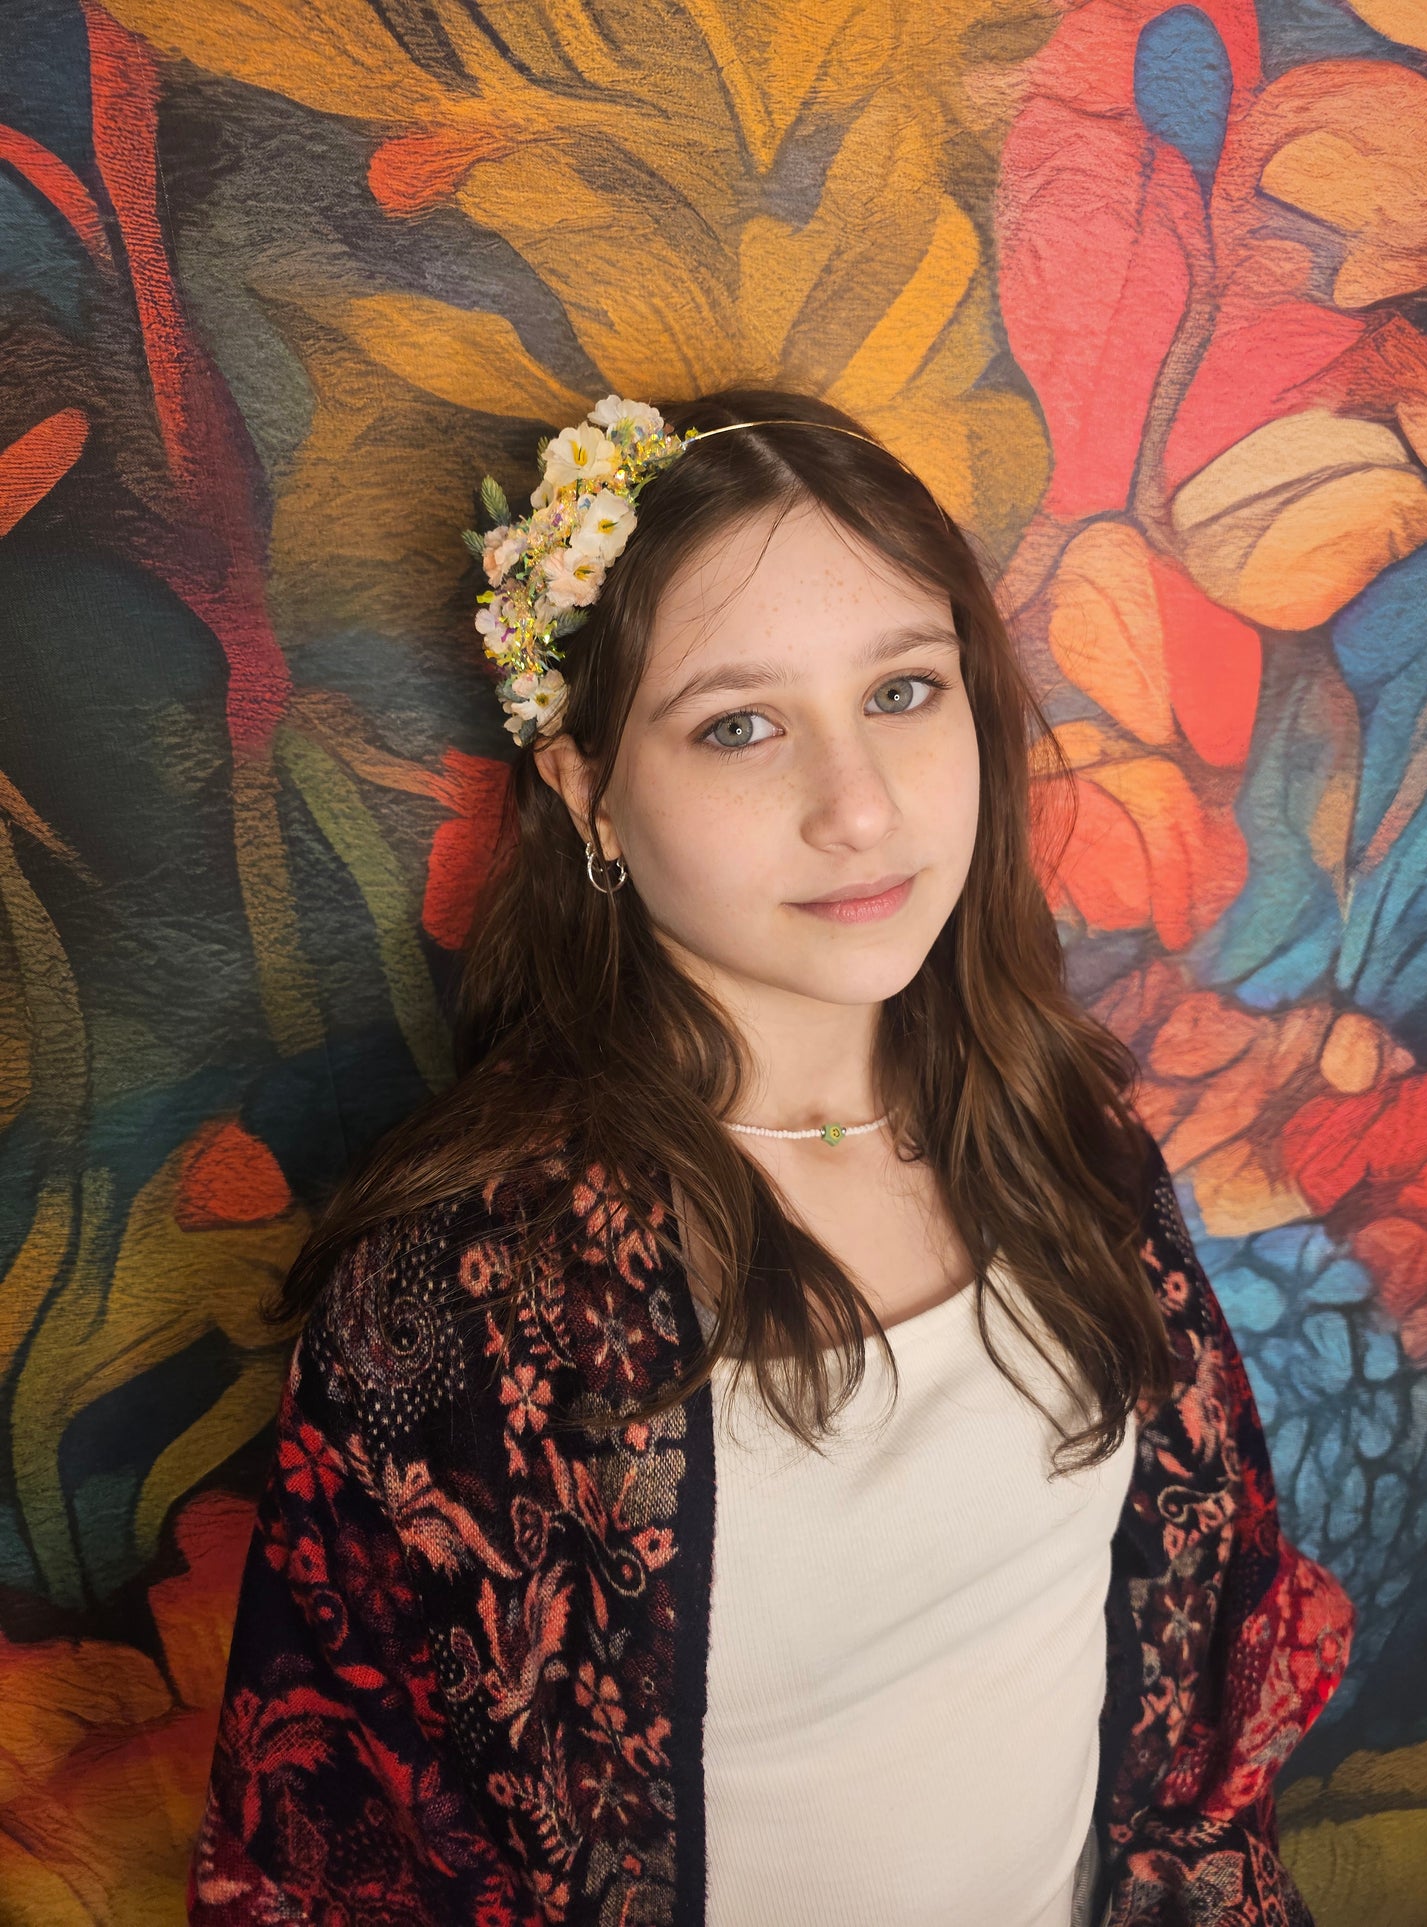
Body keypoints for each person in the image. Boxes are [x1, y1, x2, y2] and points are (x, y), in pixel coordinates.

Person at [188, 390, 1354, 1926]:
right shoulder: (467, 1290)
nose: (857, 808)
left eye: (902, 691)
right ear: (590, 794)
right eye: (739, 725)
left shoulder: (1065, 1139)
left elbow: (1197, 1699)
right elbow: (339, 1850)